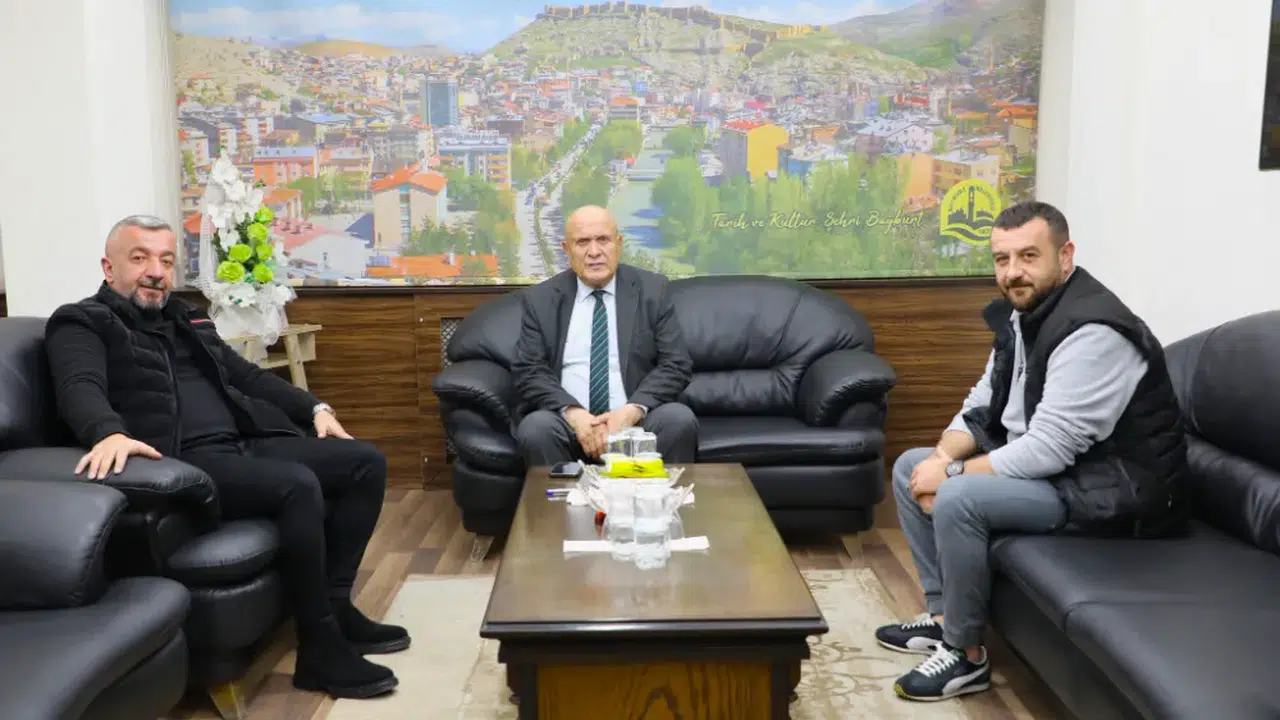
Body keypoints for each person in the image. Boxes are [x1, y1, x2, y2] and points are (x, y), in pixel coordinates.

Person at [44, 215, 408, 700]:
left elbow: (246, 375)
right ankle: (318, 647)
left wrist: (314, 408)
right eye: (140, 258)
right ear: (109, 268)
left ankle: (336, 606)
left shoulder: (186, 317)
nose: (156, 271)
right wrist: (107, 431)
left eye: (166, 260)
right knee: (297, 484)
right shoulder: (81, 321)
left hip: (240, 442)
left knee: (364, 462)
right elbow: (79, 387)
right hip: (181, 461)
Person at [875, 201, 1187, 702]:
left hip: (1112, 490)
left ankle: (965, 654)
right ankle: (943, 615)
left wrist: (951, 477)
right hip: (1062, 473)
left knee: (958, 496)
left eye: (1028, 255)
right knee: (911, 466)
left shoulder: (1094, 330)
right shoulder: (1025, 315)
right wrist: (940, 459)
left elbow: (1050, 449)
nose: (1012, 272)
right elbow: (982, 401)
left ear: (1065, 256)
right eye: (1002, 259)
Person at [513, 205, 697, 466]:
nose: (594, 252)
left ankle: (658, 494)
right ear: (566, 250)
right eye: (582, 242)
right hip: (567, 424)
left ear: (619, 244)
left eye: (603, 240)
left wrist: (630, 412)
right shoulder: (540, 300)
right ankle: (560, 495)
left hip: (635, 422)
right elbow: (529, 370)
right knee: (536, 428)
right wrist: (575, 415)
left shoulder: (652, 291)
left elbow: (676, 364)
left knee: (678, 419)